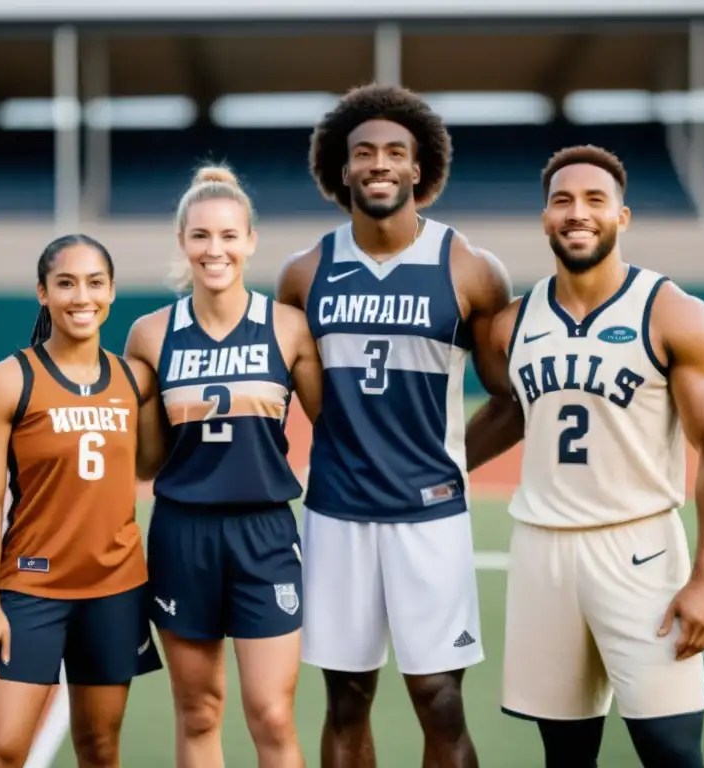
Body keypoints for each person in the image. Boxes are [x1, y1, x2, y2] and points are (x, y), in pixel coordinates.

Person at [276, 83, 514, 768]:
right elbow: (290, 392)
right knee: (345, 699)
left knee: (439, 698)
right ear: (342, 169)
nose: (379, 164)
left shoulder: (469, 267)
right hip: (337, 512)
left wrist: (448, 466)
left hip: (429, 518)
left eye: (395, 153)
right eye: (364, 154)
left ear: (419, 168)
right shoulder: (304, 272)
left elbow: (511, 399)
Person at [484, 144, 704, 767]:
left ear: (622, 218)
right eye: (563, 201)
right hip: (543, 548)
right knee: (565, 756)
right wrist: (435, 469)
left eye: (596, 200)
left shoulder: (674, 313)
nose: (578, 213)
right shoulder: (510, 325)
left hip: (640, 550)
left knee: (670, 750)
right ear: (545, 218)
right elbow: (513, 410)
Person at [123, 165, 322, 768]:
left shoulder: (288, 327)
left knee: (272, 714)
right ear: (183, 241)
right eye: (202, 236)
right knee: (200, 710)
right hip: (183, 533)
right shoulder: (151, 335)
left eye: (229, 236)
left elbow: (336, 429)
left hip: (265, 534)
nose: (216, 250)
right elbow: (148, 461)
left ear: (251, 241)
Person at [0, 234, 165, 768]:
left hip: (115, 588)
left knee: (100, 749)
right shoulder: (7, 381)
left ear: (113, 291)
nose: (83, 296)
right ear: (43, 292)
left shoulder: (133, 379)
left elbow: (151, 464)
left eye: (95, 283)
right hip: (31, 588)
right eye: (67, 283)